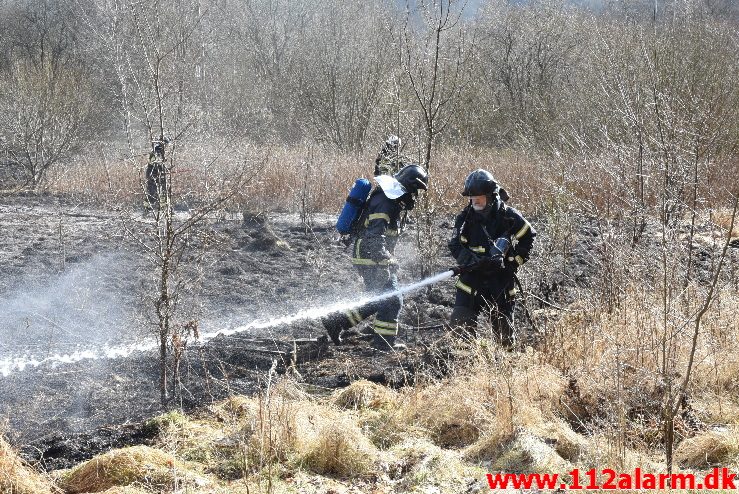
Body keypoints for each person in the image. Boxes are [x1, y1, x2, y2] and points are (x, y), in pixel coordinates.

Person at [323, 164, 429, 352]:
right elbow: (375, 234)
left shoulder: (390, 199)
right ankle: (383, 344)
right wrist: (384, 258)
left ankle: (338, 321)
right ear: (408, 186)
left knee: (380, 299)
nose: (415, 196)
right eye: (415, 190)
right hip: (370, 256)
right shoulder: (386, 201)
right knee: (393, 299)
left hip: (369, 255)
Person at [448, 169, 536, 349]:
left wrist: (511, 261)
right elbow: (455, 244)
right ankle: (465, 367)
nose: (474, 202)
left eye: (478, 198)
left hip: (500, 282)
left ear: (490, 196)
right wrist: (469, 260)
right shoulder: (465, 219)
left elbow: (528, 236)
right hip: (471, 281)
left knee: (504, 335)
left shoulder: (508, 216)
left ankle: (505, 369)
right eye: (471, 198)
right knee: (460, 329)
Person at [145, 138, 169, 212]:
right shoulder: (156, 151)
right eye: (166, 144)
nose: (167, 146)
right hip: (152, 175)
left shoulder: (161, 151)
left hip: (158, 174)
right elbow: (155, 163)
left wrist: (165, 170)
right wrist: (162, 169)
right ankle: (147, 208)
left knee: (163, 191)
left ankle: (163, 207)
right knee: (152, 191)